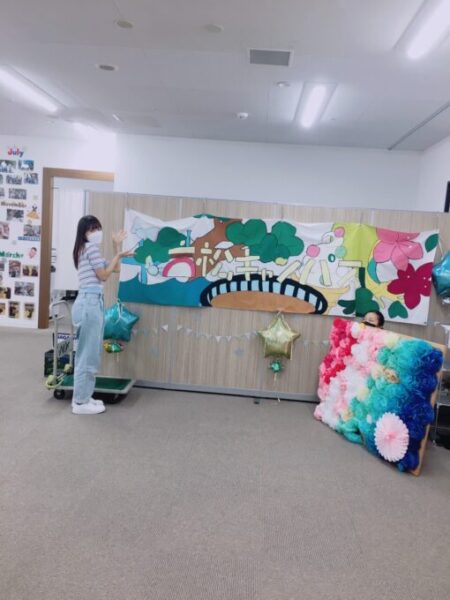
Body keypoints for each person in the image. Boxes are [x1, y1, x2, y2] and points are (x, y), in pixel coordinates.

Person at [71, 215, 132, 415]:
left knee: (90, 353)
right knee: (87, 354)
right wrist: (118, 254)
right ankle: (80, 402)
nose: (97, 232)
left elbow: (116, 269)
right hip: (89, 302)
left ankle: (84, 396)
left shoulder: (84, 250)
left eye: (98, 228)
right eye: (92, 229)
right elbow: (104, 275)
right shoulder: (90, 249)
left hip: (91, 301)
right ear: (84, 233)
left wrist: (116, 247)